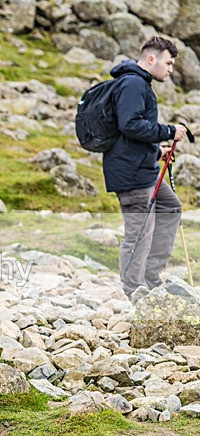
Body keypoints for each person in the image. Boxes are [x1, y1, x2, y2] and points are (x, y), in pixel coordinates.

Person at [103, 36, 188, 301]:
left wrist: (157, 150)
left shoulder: (138, 83)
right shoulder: (133, 83)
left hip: (143, 165)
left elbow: (129, 134)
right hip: (130, 173)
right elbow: (130, 125)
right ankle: (134, 290)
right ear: (151, 59)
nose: (170, 69)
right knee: (139, 231)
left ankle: (150, 276)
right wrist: (169, 131)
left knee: (170, 206)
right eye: (168, 63)